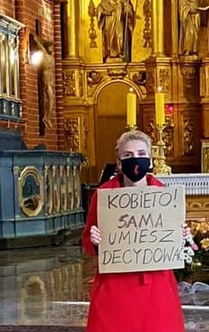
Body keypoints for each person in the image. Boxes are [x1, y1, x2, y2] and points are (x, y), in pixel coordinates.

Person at [82, 130, 185, 332]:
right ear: (119, 163)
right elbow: (87, 241)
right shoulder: (104, 196)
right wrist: (94, 240)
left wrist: (182, 236)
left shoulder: (164, 195)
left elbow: (173, 235)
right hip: (115, 285)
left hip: (156, 285)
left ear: (150, 160)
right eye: (128, 155)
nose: (135, 159)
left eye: (141, 154)